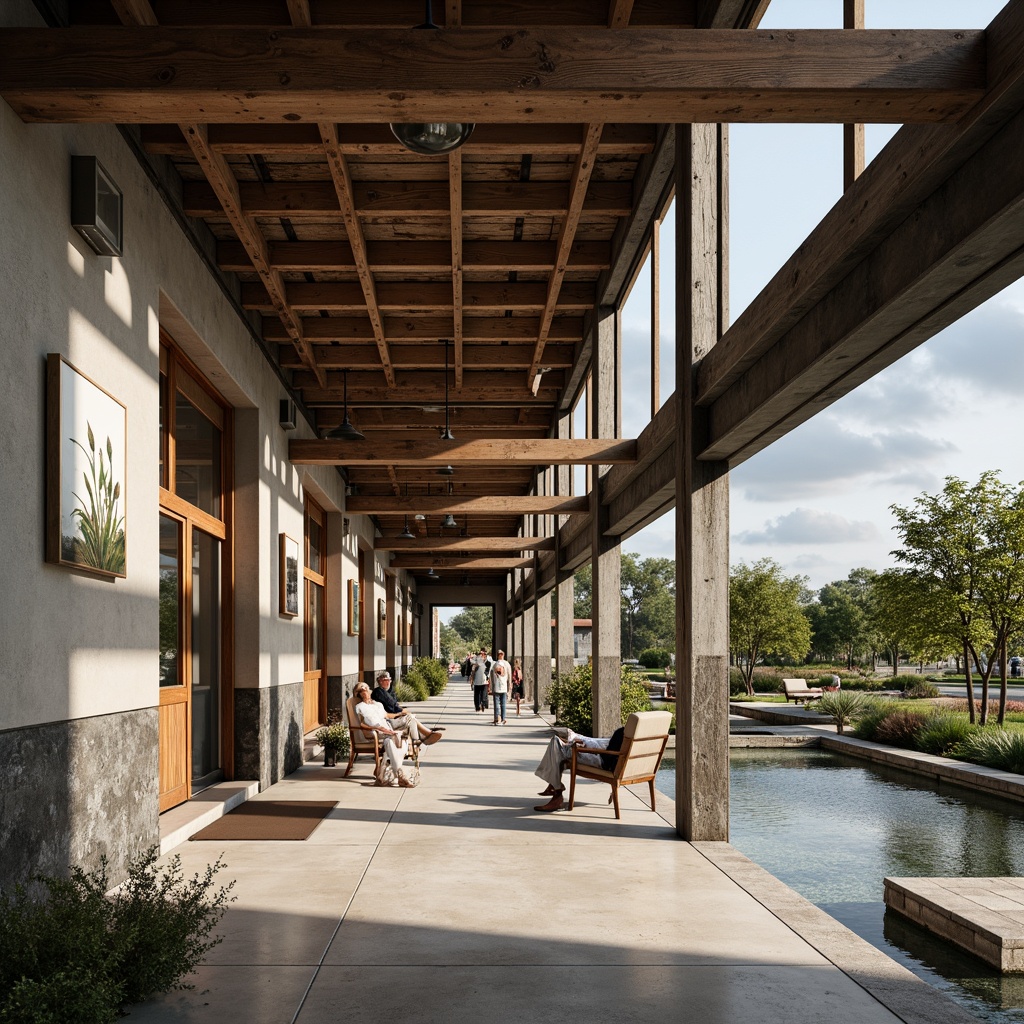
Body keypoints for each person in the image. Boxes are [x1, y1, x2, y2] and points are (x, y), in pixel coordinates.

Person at [533, 726, 624, 812]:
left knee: (556, 744)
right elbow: (611, 750)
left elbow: (608, 757)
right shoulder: (629, 735)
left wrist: (586, 747)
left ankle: (557, 793)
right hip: (603, 757)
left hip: (601, 762)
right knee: (567, 737)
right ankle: (553, 785)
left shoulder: (622, 733)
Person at [353, 683, 417, 787]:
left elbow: (386, 715)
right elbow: (360, 724)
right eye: (362, 689)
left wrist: (399, 714)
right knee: (390, 741)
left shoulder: (378, 704)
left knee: (401, 739)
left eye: (366, 688)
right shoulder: (359, 707)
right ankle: (399, 775)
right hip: (375, 732)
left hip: (387, 728)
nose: (365, 690)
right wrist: (376, 728)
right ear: (358, 694)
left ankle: (389, 774)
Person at [370, 671, 444, 743]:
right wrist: (402, 711)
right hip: (388, 720)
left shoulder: (389, 691)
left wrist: (402, 711)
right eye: (386, 680)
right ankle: (425, 734)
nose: (389, 682)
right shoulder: (379, 692)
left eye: (389, 680)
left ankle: (424, 735)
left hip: (394, 716)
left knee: (411, 718)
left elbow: (395, 704)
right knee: (410, 717)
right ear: (380, 681)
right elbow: (393, 706)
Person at [489, 649, 512, 725]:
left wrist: (491, 687)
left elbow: (491, 677)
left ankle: (497, 718)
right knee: (503, 704)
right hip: (503, 687)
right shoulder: (507, 664)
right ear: (503, 655)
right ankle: (503, 718)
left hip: (497, 687)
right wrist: (509, 686)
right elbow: (509, 676)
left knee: (497, 705)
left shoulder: (494, 665)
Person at [471, 648, 491, 713]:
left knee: (483, 695)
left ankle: (482, 704)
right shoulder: (476, 661)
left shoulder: (488, 662)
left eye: (484, 654)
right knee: (478, 695)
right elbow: (473, 670)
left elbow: (489, 672)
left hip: (484, 681)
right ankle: (478, 706)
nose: (482, 655)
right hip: (477, 681)